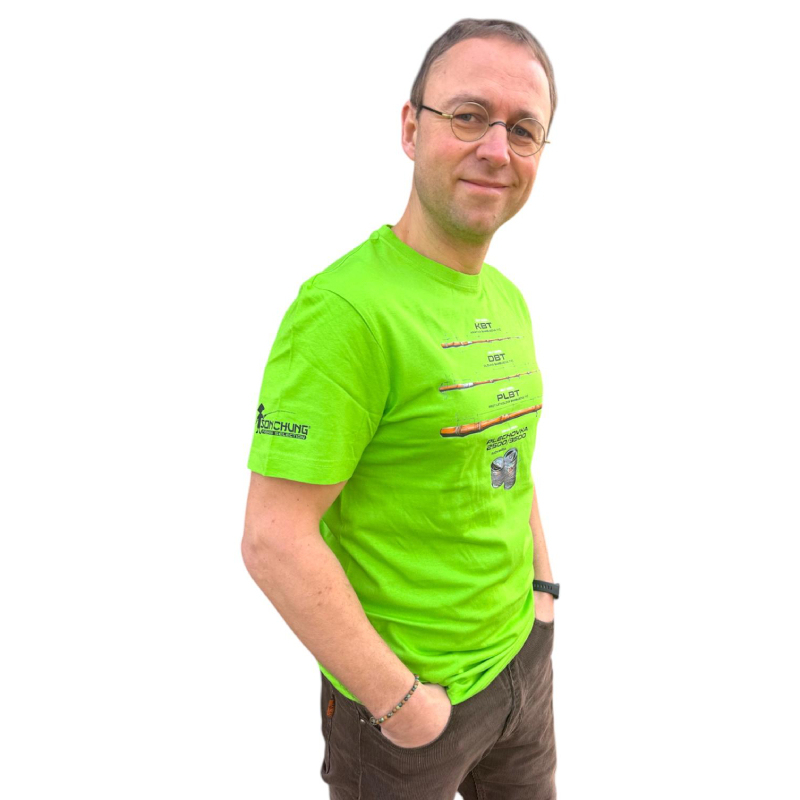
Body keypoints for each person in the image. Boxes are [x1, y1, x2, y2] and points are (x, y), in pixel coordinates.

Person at [241, 17, 560, 800]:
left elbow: (507, 456)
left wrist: (543, 595)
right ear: (412, 129)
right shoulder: (344, 311)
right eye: (469, 115)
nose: (497, 148)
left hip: (521, 667)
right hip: (408, 713)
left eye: (523, 129)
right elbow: (274, 538)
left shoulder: (505, 297)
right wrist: (403, 705)